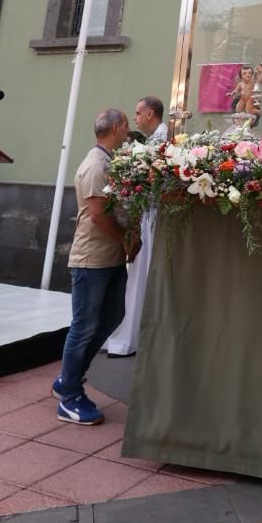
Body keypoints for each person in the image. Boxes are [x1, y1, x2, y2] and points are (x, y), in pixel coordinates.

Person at [54, 107, 135, 424]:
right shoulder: (95, 165)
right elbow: (99, 214)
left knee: (114, 314)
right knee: (83, 326)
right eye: (126, 125)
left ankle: (69, 377)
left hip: (110, 255)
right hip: (92, 259)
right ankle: (70, 395)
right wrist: (126, 239)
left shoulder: (109, 161)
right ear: (115, 128)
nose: (128, 131)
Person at [104, 97, 168, 359]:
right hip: (146, 215)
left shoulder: (160, 140)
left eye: (138, 113)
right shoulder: (151, 141)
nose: (136, 117)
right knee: (137, 278)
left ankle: (130, 338)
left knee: (140, 277)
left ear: (150, 114)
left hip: (152, 217)